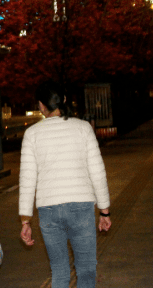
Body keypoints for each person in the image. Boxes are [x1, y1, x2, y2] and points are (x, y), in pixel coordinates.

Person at [19, 80, 111, 288]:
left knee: (59, 271)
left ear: (41, 105)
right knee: (86, 268)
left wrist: (26, 220)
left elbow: (27, 180)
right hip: (81, 206)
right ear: (65, 100)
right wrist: (104, 211)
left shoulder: (32, 134)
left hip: (48, 209)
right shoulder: (83, 128)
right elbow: (97, 171)